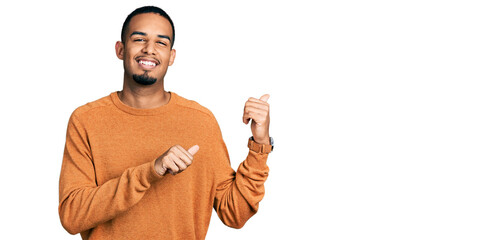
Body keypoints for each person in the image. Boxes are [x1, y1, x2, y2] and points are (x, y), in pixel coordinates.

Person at [58, 6, 274, 240]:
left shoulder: (200, 121)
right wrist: (149, 172)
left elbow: (235, 213)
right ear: (120, 49)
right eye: (139, 39)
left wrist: (259, 145)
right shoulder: (87, 120)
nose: (149, 49)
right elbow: (72, 216)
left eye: (161, 43)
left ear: (171, 57)